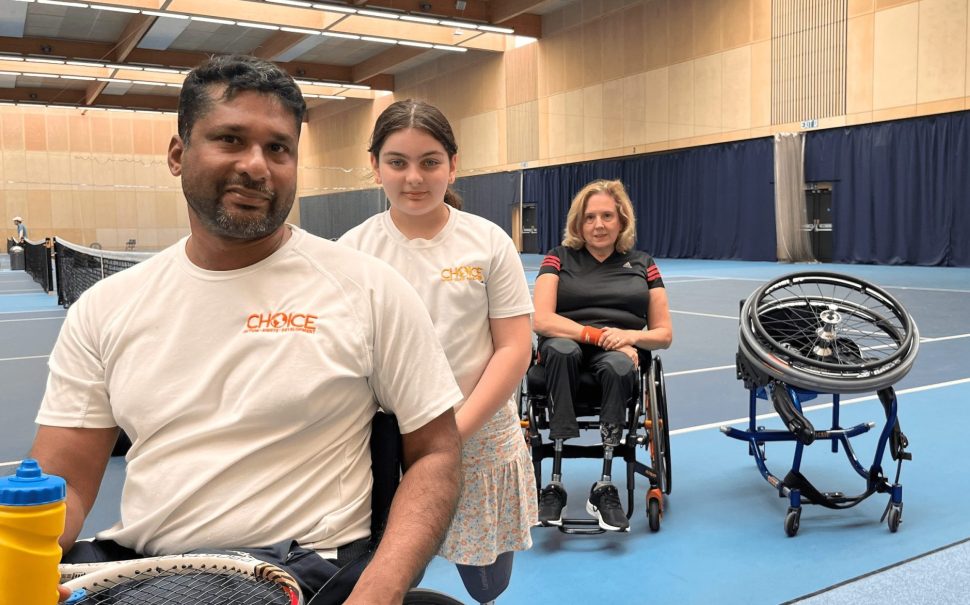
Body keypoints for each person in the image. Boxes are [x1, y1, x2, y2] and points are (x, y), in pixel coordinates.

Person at [30, 55, 463, 605]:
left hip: (301, 573)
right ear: (178, 154)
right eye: (230, 139)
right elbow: (61, 484)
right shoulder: (103, 309)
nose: (256, 165)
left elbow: (435, 453)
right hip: (142, 571)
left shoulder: (370, 290)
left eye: (278, 148)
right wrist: (23, 551)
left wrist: (379, 589)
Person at [339, 99, 536, 605]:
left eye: (429, 162)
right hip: (384, 442)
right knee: (389, 576)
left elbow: (514, 348)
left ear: (453, 164)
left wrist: (451, 434)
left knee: (488, 584)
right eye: (397, 162)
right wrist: (405, 445)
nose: (414, 177)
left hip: (479, 433)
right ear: (375, 166)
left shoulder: (488, 242)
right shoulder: (352, 251)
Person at [532, 179, 672, 532]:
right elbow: (541, 319)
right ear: (578, 223)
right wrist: (599, 336)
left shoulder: (643, 264)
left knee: (619, 365)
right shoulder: (557, 258)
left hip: (619, 352)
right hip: (566, 347)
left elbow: (664, 335)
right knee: (562, 351)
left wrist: (628, 337)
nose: (598, 224)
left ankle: (605, 485)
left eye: (607, 216)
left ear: (622, 221)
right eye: (590, 217)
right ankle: (555, 484)